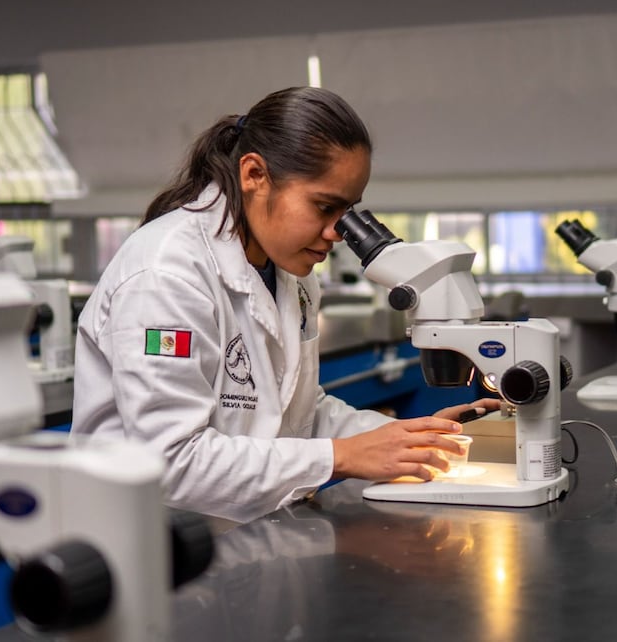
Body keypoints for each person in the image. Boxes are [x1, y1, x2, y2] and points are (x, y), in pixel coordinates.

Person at [72, 86, 498, 523]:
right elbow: (170, 462)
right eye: (324, 206)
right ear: (254, 174)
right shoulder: (165, 275)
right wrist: (341, 457)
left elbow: (300, 414)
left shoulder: (291, 273)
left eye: (349, 210)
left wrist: (405, 439)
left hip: (250, 537)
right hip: (158, 548)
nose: (337, 232)